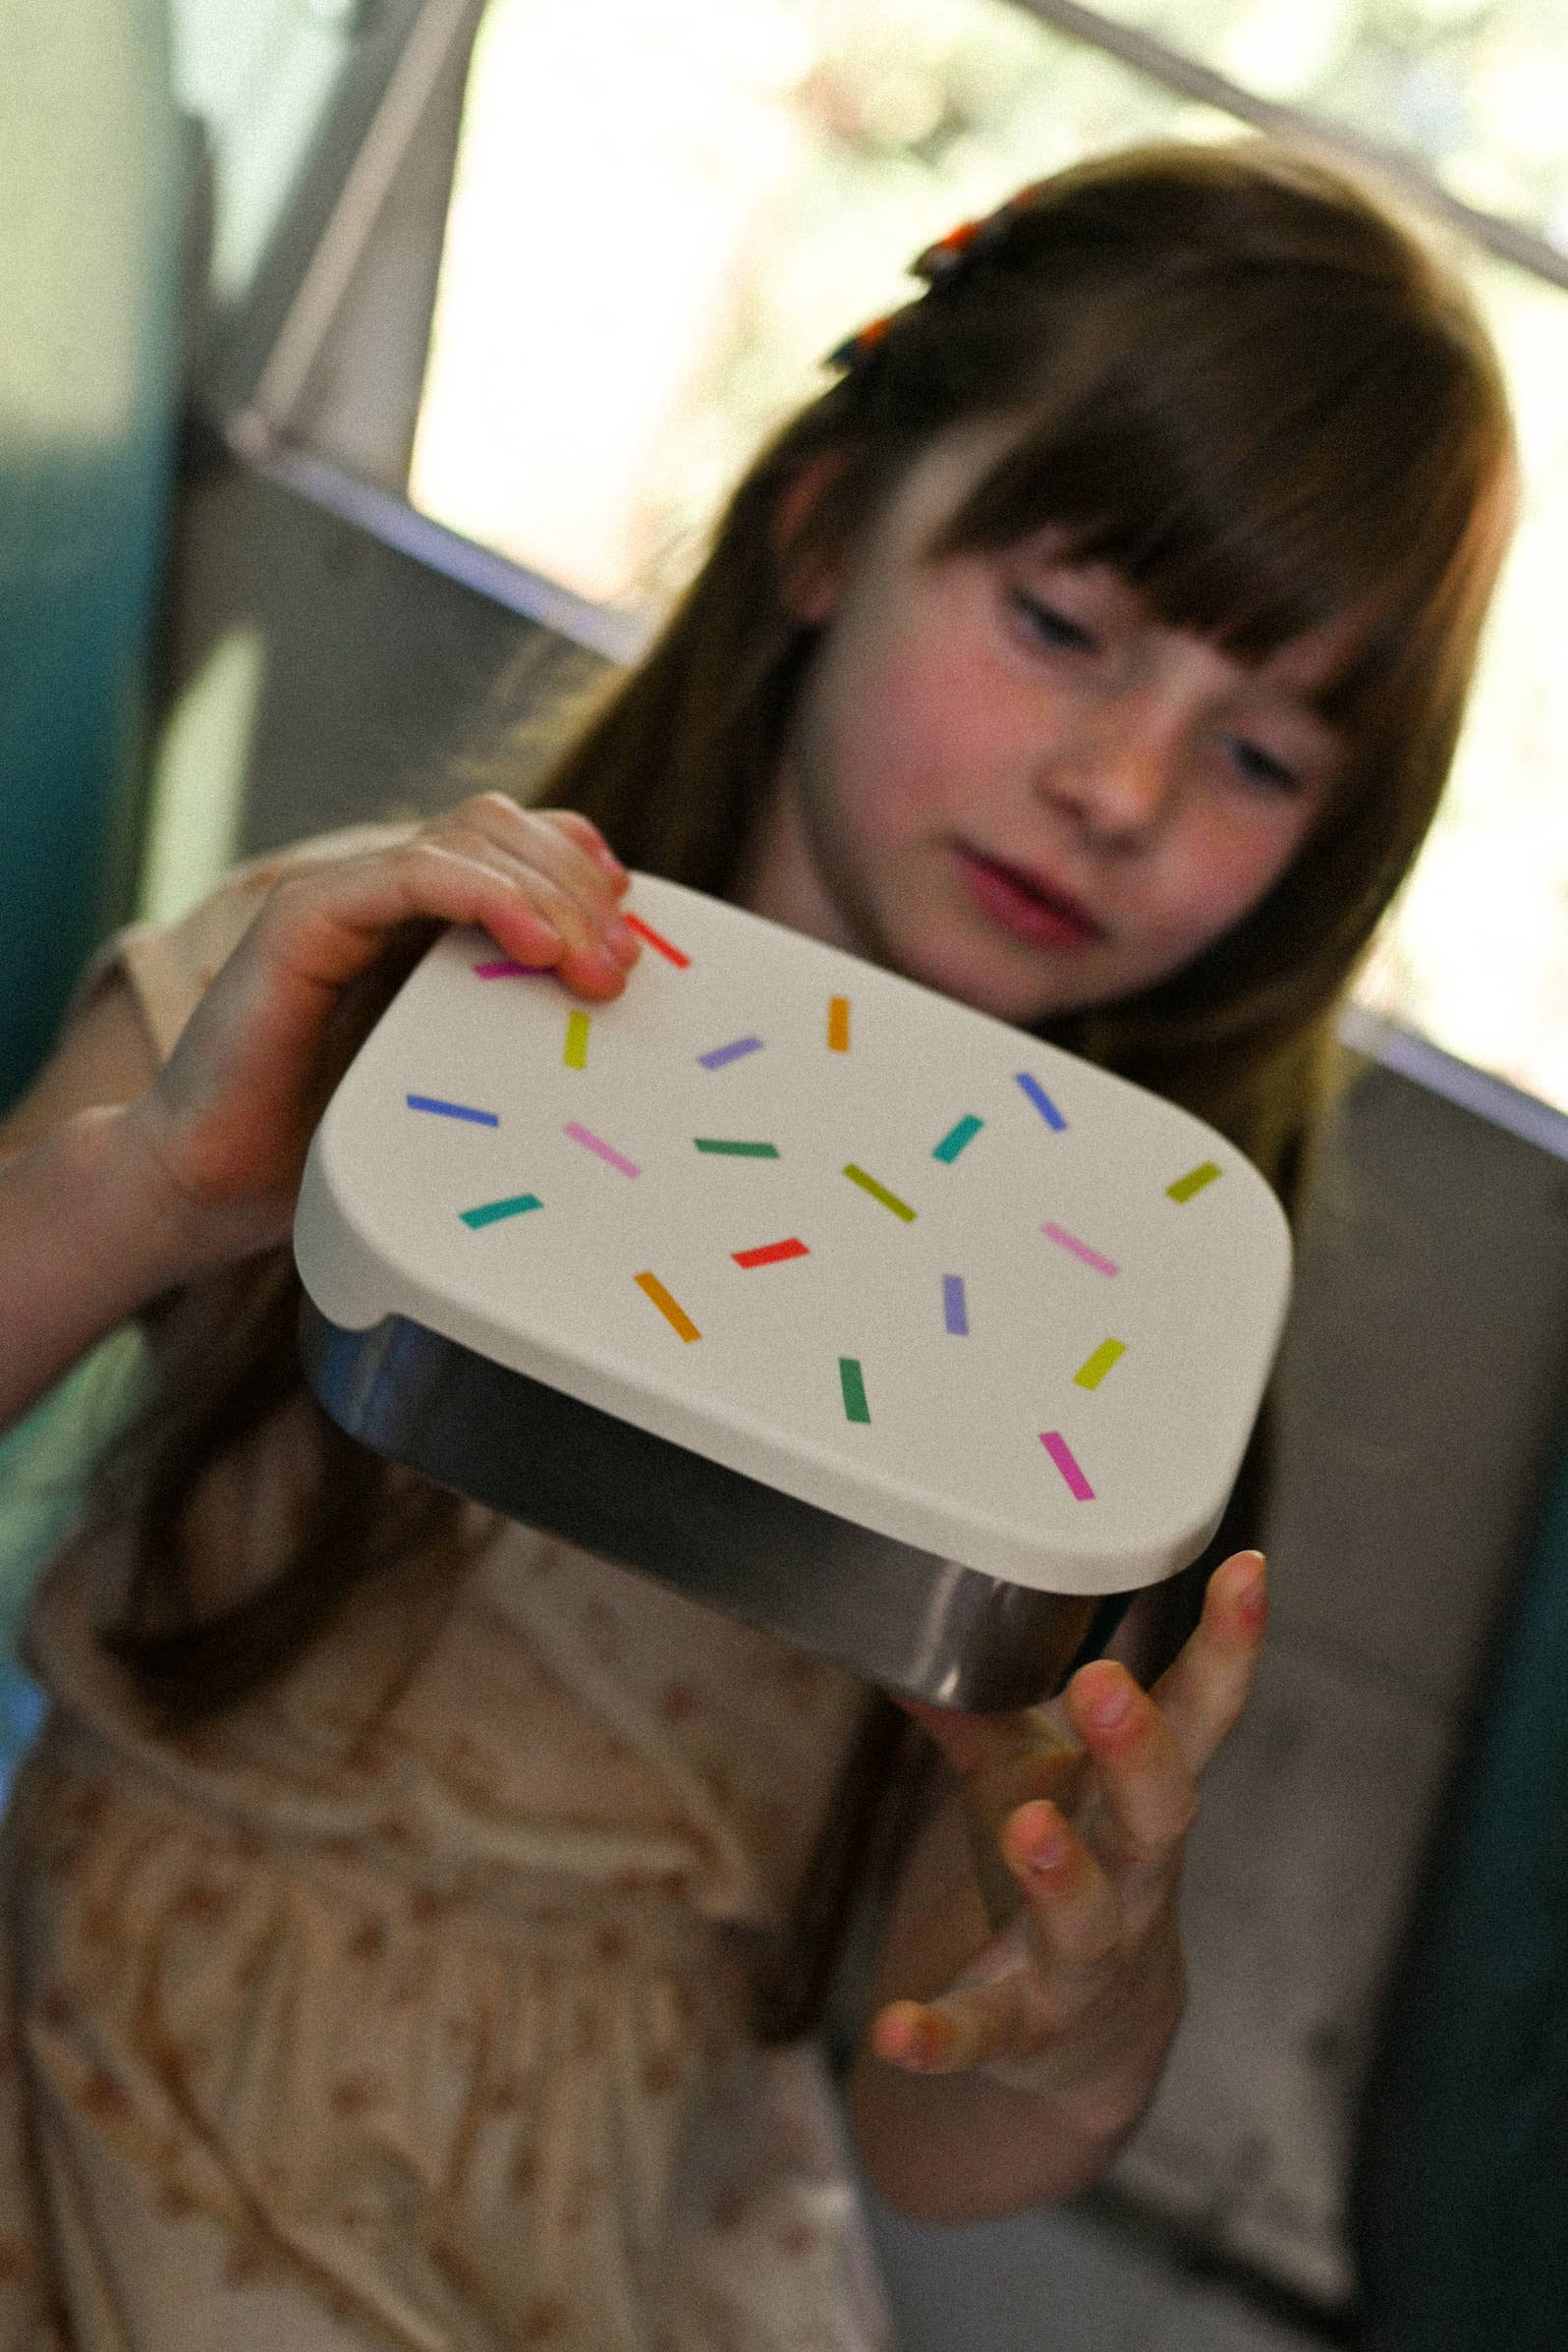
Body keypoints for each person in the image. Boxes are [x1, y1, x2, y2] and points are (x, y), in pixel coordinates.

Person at [0, 139, 1514, 2347]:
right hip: (104, 2126)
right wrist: (145, 1188)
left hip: (637, 2248)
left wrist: (1087, 1997)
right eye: (1061, 627)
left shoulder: (1122, 1354)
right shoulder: (370, 978)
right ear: (822, 535)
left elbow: (936, 2122)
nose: (1122, 788)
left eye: (1265, 756)